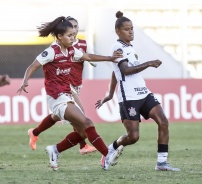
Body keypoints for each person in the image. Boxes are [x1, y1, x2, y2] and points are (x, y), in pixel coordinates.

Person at [17, 16, 123, 171]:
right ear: (60, 37)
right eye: (70, 35)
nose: (73, 38)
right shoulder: (51, 52)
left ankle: (55, 150)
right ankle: (107, 155)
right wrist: (25, 80)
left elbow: (88, 56)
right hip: (56, 98)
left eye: (74, 35)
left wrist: (110, 58)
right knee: (87, 123)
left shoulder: (73, 50)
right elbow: (32, 66)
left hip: (66, 94)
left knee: (82, 133)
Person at [95, 11, 180, 171]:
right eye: (127, 29)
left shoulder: (130, 49)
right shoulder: (117, 47)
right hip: (129, 98)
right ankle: (111, 148)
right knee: (133, 137)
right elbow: (125, 70)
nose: (131, 31)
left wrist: (110, 94)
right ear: (118, 32)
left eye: (132, 28)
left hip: (143, 93)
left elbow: (115, 72)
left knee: (163, 121)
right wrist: (148, 63)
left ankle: (161, 162)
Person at [27, 16, 98, 155]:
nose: (74, 31)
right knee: (80, 115)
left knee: (57, 116)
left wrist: (93, 58)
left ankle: (34, 132)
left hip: (76, 84)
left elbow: (91, 58)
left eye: (76, 27)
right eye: (71, 28)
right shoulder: (58, 46)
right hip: (64, 85)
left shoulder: (82, 44)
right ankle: (83, 145)